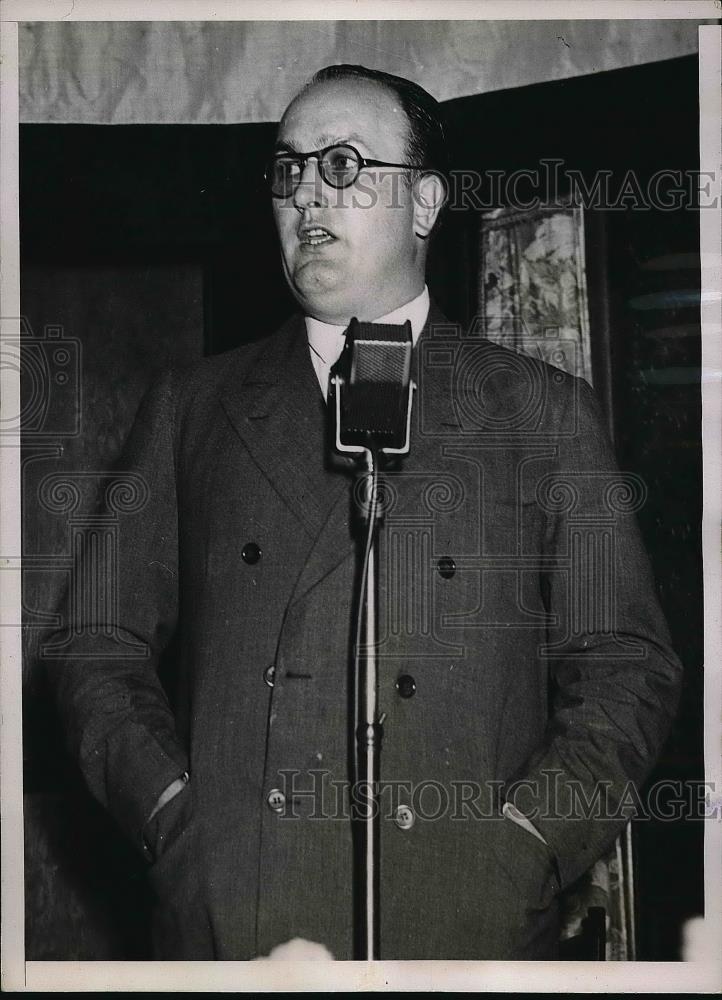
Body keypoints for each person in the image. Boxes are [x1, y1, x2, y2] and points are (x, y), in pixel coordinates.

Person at [46, 64, 683, 961]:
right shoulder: (193, 407)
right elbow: (92, 642)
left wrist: (528, 847)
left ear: (424, 204)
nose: (308, 191)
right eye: (288, 169)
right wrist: (175, 820)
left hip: (463, 923)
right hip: (240, 921)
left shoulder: (540, 413)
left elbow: (626, 667)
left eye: (343, 164)